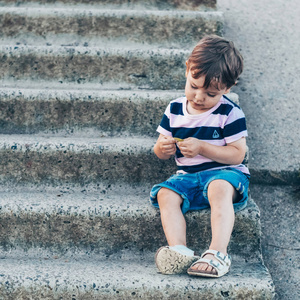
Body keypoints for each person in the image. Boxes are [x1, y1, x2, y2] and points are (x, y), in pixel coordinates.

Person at [150, 35, 250, 278]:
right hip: (188, 177)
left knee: (218, 187)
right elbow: (158, 149)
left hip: (225, 174)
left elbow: (238, 154)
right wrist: (163, 149)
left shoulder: (229, 113)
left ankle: (218, 253)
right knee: (166, 193)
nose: (199, 97)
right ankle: (179, 249)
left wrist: (203, 148)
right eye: (194, 86)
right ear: (187, 70)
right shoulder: (174, 109)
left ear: (228, 88)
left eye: (211, 93)